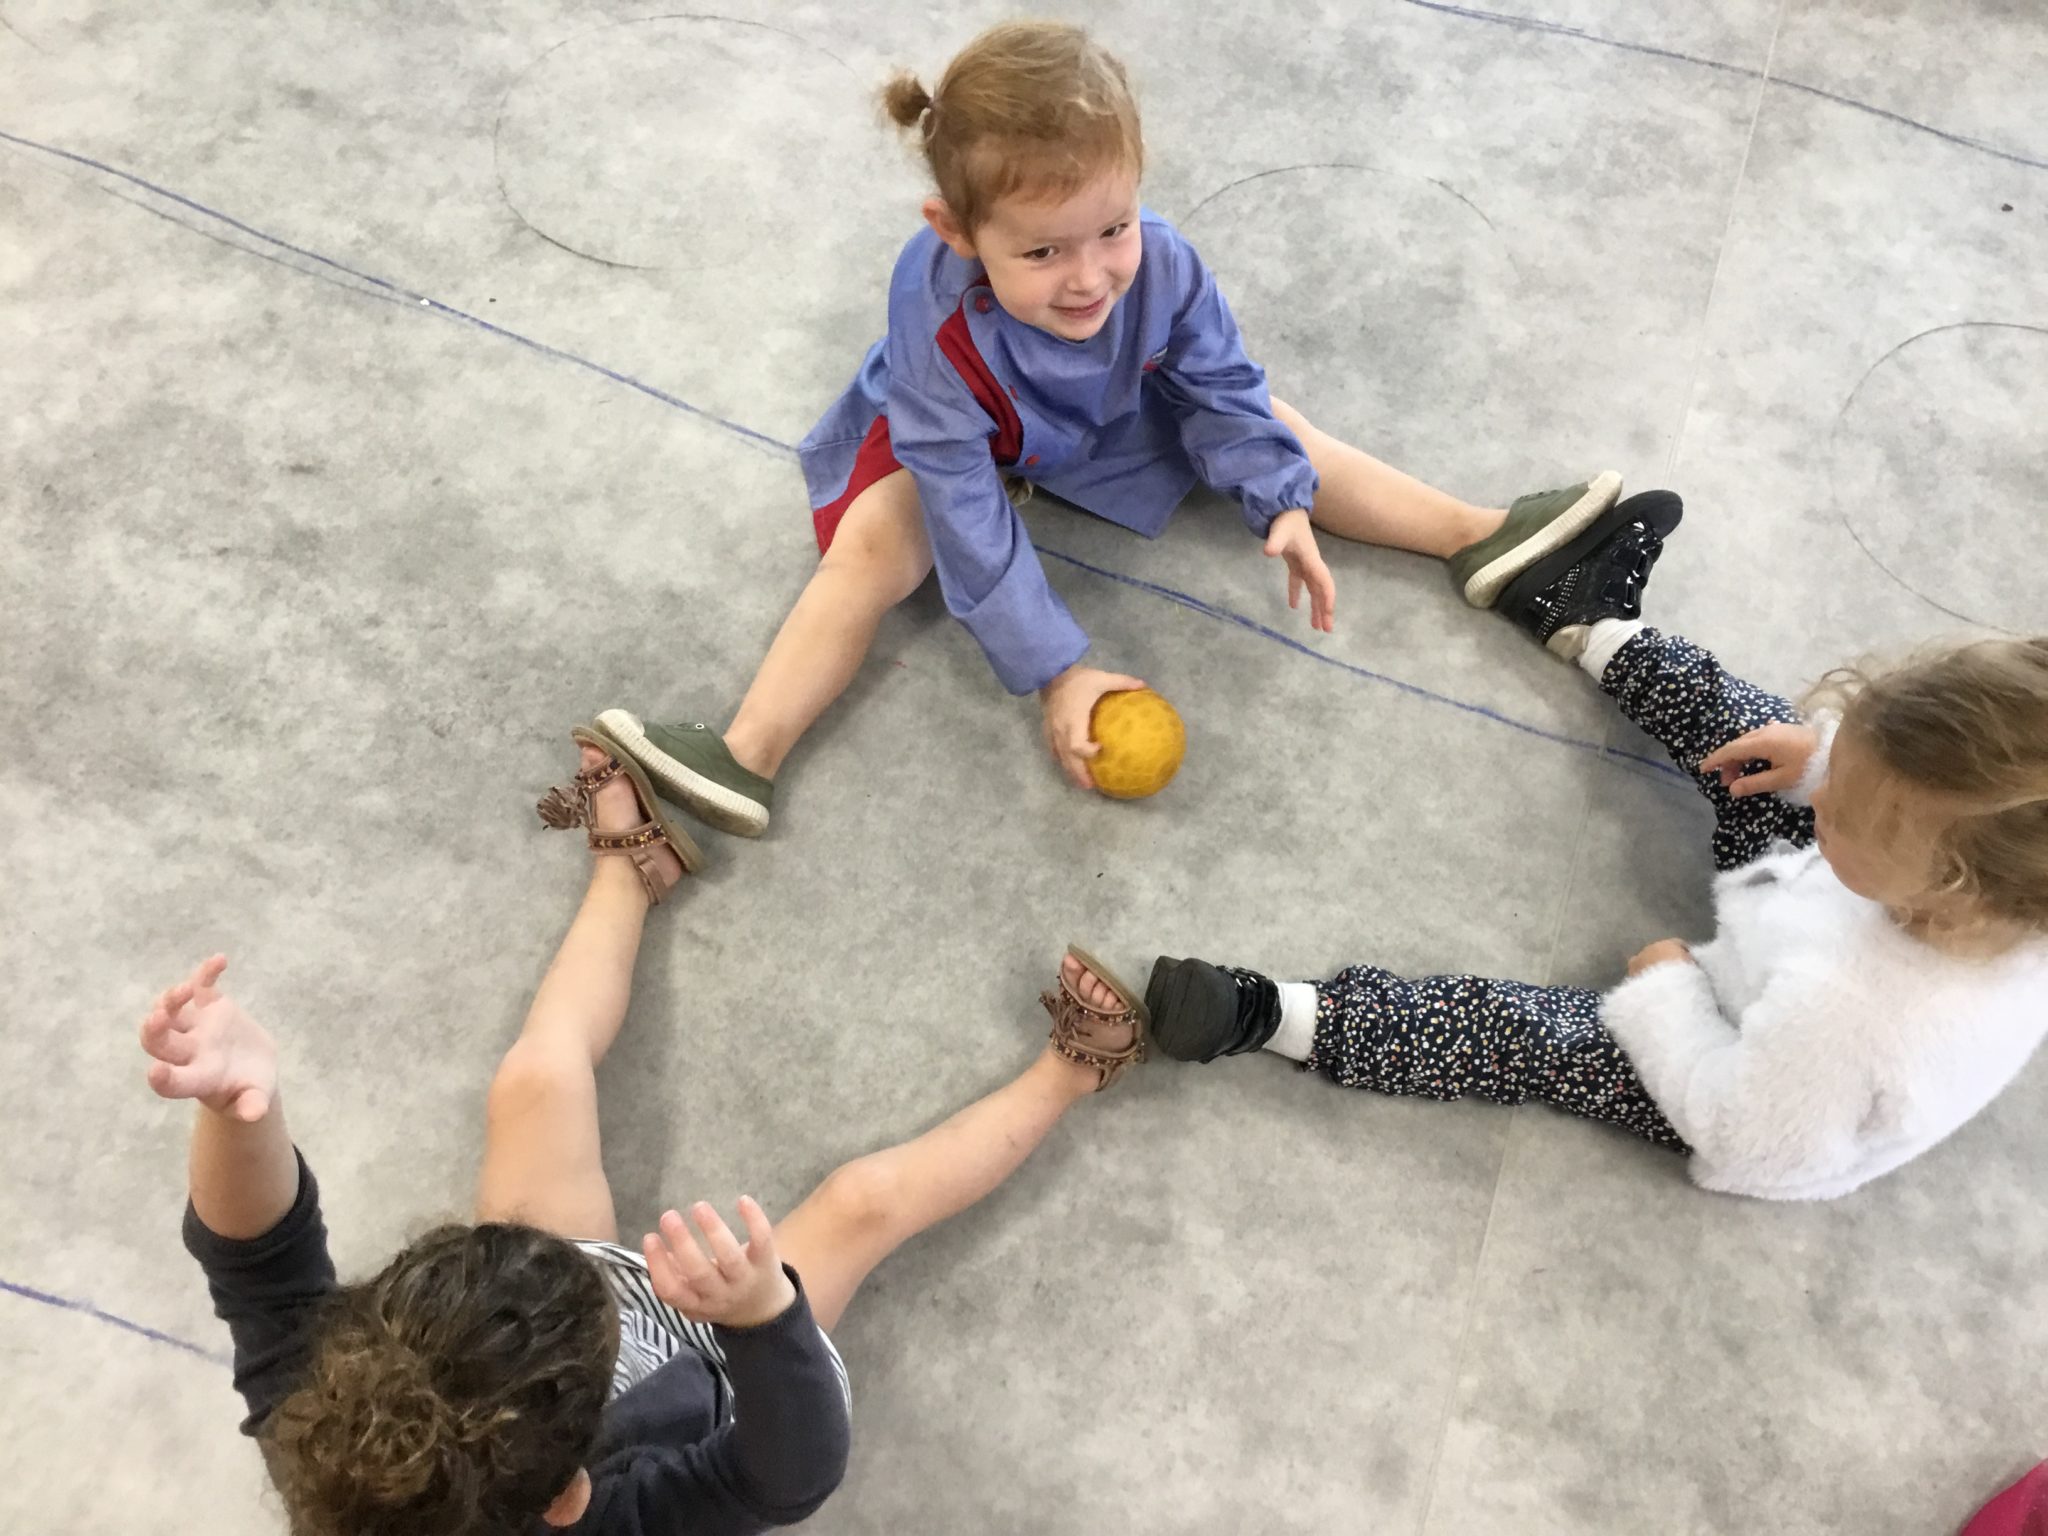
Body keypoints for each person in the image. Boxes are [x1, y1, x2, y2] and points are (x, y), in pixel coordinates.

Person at [596, 20, 1630, 835]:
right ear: (956, 232)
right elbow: (962, 501)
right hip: (968, 434)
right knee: (874, 545)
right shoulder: (932, 315)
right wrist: (1058, 668)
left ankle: (1478, 538)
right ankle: (748, 753)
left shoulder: (1162, 263)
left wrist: (1279, 499)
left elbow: (1221, 386)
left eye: (1113, 228)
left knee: (1275, 422)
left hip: (1106, 413)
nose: (1089, 276)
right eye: (1042, 252)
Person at [148, 723, 1147, 1535]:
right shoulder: (622, 1518)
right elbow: (788, 1475)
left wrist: (239, 1107)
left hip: (532, 1356)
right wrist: (761, 1319)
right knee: (861, 1203)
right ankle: (1072, 1071)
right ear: (568, 1499)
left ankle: (631, 872)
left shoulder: (326, 1430)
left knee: (536, 1076)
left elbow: (257, 1264)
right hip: (708, 1362)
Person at [1139, 490, 2048, 1200]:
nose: (1825, 800)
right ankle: (1585, 616)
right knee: (1760, 731)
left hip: (1730, 1066)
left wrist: (1671, 996)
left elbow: (1740, 1133)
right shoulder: (1980, 866)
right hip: (1806, 921)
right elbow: (1885, 796)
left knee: (1534, 1039)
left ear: (1945, 886)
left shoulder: (1855, 1021)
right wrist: (1821, 763)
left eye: (1844, 809)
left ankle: (1270, 1017)